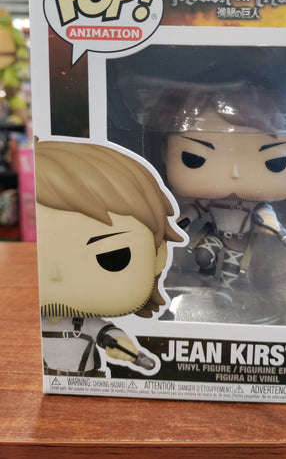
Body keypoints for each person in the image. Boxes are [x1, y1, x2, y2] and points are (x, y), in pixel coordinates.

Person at [35, 139, 184, 376]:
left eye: (112, 257)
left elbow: (108, 333)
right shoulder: (32, 319)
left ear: (158, 256)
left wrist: (121, 345)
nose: (55, 275)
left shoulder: (85, 323)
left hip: (85, 383)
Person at [164, 89, 286, 305]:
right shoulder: (211, 199)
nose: (235, 173)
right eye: (194, 158)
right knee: (202, 254)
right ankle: (206, 272)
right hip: (214, 232)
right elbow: (195, 210)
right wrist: (181, 222)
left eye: (274, 162)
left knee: (231, 266)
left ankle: (226, 289)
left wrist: (276, 230)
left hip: (238, 240)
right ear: (164, 152)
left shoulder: (253, 204)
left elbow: (266, 214)